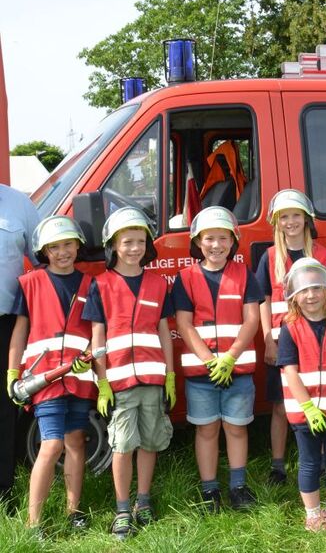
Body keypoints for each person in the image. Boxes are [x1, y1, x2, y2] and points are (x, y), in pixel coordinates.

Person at [83, 207, 175, 540]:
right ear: (113, 245)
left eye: (140, 241)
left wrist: (170, 375)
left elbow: (164, 331)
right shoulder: (102, 285)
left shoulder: (157, 283)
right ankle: (123, 510)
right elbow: (97, 336)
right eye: (127, 242)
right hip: (119, 382)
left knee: (149, 442)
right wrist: (102, 380)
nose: (134, 248)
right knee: (122, 445)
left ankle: (143, 502)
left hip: (152, 379)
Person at [7, 216, 95, 533]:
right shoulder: (29, 284)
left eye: (68, 244)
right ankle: (34, 523)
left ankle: (74, 513)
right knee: (51, 445)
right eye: (54, 247)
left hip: (79, 379)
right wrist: (13, 371)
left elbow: (96, 332)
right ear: (43, 251)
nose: (62, 252)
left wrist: (94, 366)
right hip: (44, 379)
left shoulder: (89, 284)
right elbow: (20, 332)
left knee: (75, 441)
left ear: (78, 246)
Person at [174, 206, 262, 513]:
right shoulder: (184, 278)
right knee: (207, 429)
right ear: (198, 242)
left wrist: (230, 357)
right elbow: (184, 324)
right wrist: (211, 361)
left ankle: (238, 486)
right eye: (209, 238)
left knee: (237, 428)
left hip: (237, 370)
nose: (216, 245)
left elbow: (252, 320)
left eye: (223, 238)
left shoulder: (244, 274)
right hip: (202, 374)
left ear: (233, 241)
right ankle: (210, 490)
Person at [255, 189, 326, 485]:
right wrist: (267, 338)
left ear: (306, 219)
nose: (290, 222)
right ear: (276, 222)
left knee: (323, 399)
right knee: (280, 405)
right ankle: (278, 466)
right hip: (282, 341)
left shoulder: (322, 254)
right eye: (284, 217)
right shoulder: (269, 257)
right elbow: (263, 299)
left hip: (318, 341)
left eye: (296, 216)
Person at [277, 257, 326, 532]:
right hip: (304, 412)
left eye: (317, 288)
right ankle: (313, 514)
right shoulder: (289, 327)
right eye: (304, 290)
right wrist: (308, 407)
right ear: (294, 296)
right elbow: (289, 370)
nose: (311, 295)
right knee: (309, 463)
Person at [0, 183, 39, 504]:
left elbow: (46, 256)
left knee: (4, 408)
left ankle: (3, 491)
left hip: (6, 324)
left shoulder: (19, 204)